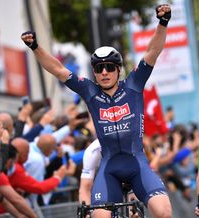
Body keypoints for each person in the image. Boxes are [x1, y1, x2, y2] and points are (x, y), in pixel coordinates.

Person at [21, 4, 172, 218]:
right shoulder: (89, 91)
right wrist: (35, 46)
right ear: (94, 72)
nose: (104, 72)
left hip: (137, 163)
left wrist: (163, 23)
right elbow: (57, 68)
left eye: (110, 67)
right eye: (99, 68)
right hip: (109, 167)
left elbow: (152, 51)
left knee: (164, 212)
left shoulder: (133, 84)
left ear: (118, 70)